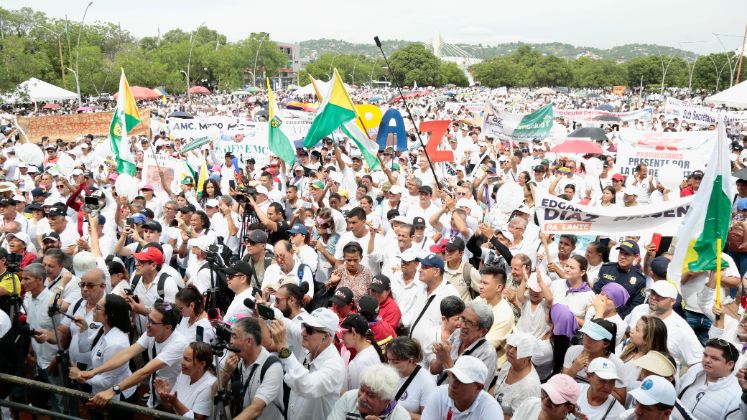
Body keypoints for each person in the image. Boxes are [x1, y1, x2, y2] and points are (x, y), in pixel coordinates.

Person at [82, 301, 190, 408]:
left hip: (175, 400)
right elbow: (127, 353)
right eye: (148, 319)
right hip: (157, 393)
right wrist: (94, 372)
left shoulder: (178, 344)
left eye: (153, 322)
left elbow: (145, 371)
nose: (147, 324)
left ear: (168, 327)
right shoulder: (153, 332)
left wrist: (112, 391)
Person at [267, 307, 345, 420]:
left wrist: (283, 349)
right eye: (303, 325)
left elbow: (307, 386)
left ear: (326, 337)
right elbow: (287, 325)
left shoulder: (334, 366)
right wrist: (268, 309)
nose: (303, 332)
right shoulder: (311, 342)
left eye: (309, 329)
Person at [68, 294, 136, 419]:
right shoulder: (105, 329)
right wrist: (84, 329)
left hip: (116, 399)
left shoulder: (116, 343)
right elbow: (84, 348)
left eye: (98, 308)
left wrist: (80, 375)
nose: (93, 309)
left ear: (108, 315)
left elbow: (107, 382)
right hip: (101, 393)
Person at [221, 317, 285, 420]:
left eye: (234, 336)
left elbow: (256, 409)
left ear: (249, 341)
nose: (230, 342)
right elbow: (214, 393)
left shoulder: (272, 366)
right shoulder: (235, 359)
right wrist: (226, 372)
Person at [430, 301, 497, 389]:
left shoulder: (487, 354)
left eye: (469, 323)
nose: (462, 325)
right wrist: (439, 360)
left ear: (483, 331)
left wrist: (447, 360)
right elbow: (434, 370)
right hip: (438, 393)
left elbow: (466, 391)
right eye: (462, 318)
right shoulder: (457, 334)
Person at [562, 319, 626, 403]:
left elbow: (621, 400)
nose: (587, 341)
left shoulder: (616, 364)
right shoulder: (573, 351)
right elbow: (562, 385)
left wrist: (597, 382)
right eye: (586, 335)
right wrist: (574, 369)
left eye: (593, 338)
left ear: (606, 343)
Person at [420, 355, 503, 419]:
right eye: (454, 376)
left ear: (478, 387)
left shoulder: (491, 409)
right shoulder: (438, 394)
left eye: (462, 381)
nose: (453, 384)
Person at [678, 338, 742, 419]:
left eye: (714, 358)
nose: (707, 360)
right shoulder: (695, 370)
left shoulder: (736, 397)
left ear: (730, 364)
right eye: (705, 355)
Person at [154, 341, 216, 419]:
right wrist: (164, 397)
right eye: (183, 358)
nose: (182, 362)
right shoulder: (184, 374)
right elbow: (170, 408)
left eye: (187, 359)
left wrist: (175, 402)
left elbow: (197, 419)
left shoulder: (210, 385)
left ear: (202, 364)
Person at [328, 365, 411, 420]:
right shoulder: (348, 399)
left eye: (370, 395)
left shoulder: (400, 416)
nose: (361, 397)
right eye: (361, 390)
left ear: (387, 400)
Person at [593, 240, 646, 318]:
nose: (622, 257)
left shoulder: (640, 279)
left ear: (636, 256)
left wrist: (615, 318)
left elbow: (635, 306)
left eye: (627, 254)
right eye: (621, 252)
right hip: (597, 311)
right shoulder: (606, 268)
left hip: (619, 319)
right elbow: (596, 291)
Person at [493, 333, 542, 417]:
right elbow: (496, 387)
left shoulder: (529, 387)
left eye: (517, 349)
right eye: (511, 346)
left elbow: (517, 417)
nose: (511, 351)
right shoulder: (509, 364)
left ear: (528, 356)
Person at [386, 337, 436, 419]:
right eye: (388, 359)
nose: (390, 365)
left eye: (395, 362)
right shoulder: (390, 373)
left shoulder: (427, 382)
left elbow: (428, 418)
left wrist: (396, 412)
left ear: (411, 360)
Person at [619, 316, 669, 391]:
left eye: (637, 329)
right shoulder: (626, 348)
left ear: (648, 339)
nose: (632, 330)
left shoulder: (651, 369)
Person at [340, 313, 386, 392]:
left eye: (344, 333)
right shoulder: (370, 349)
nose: (342, 337)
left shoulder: (358, 364)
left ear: (354, 333)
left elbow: (358, 398)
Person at [511, 373, 581, 420]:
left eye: (553, 400)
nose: (545, 400)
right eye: (545, 392)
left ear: (568, 407)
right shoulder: (530, 403)